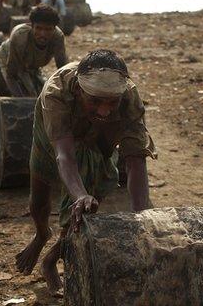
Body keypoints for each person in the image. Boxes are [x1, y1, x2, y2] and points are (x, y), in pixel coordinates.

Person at [15, 49, 156, 293]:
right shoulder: (56, 93)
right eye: (95, 101)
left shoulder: (129, 96)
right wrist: (79, 193)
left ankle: (51, 260)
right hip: (56, 138)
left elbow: (136, 159)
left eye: (112, 102)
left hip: (98, 138)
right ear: (79, 90)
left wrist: (141, 213)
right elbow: (64, 155)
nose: (104, 110)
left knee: (84, 212)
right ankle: (41, 235)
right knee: (39, 200)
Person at [0, 4, 68, 97]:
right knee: (30, 94)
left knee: (45, 94)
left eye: (48, 30)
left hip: (33, 64)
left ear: (54, 29)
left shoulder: (58, 37)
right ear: (31, 26)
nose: (43, 34)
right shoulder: (20, 37)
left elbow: (63, 68)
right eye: (39, 28)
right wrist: (21, 100)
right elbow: (11, 74)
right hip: (9, 56)